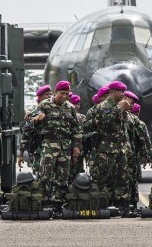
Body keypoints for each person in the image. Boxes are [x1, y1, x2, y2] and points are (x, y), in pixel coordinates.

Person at [33, 81, 82, 211]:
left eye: (67, 94)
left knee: (63, 177)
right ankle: (44, 201)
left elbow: (76, 129)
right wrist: (37, 120)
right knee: (45, 175)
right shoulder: (44, 105)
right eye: (62, 93)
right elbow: (32, 125)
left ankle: (58, 202)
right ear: (56, 92)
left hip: (65, 146)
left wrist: (77, 146)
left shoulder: (70, 107)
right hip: (50, 144)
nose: (64, 96)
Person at [84, 81, 132, 210]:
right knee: (101, 177)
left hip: (120, 148)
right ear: (113, 92)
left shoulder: (119, 105)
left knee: (122, 178)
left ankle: (122, 205)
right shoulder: (103, 106)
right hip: (105, 149)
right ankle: (100, 203)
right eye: (121, 92)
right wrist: (119, 109)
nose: (123, 94)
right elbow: (106, 123)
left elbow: (123, 128)